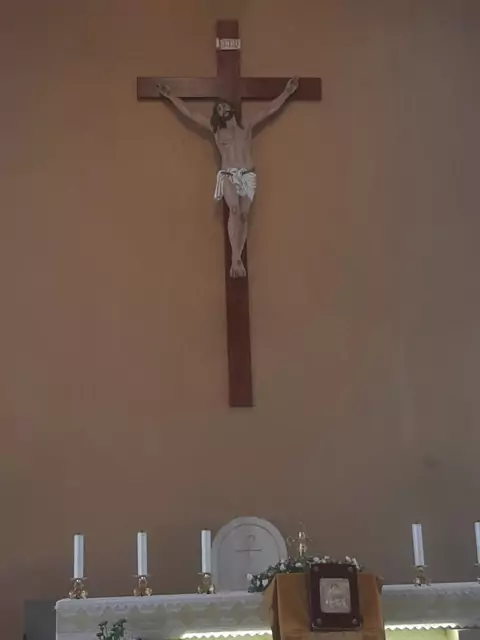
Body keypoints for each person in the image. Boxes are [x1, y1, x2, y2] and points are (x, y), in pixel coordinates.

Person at [158, 77, 299, 277]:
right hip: (228, 174)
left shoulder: (246, 126)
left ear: (230, 108)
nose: (222, 109)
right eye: (219, 109)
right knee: (234, 210)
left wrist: (287, 92)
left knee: (243, 215)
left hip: (247, 173)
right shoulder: (217, 131)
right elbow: (191, 114)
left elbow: (268, 110)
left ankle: (237, 260)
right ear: (218, 115)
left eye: (224, 106)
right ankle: (235, 258)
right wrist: (170, 96)